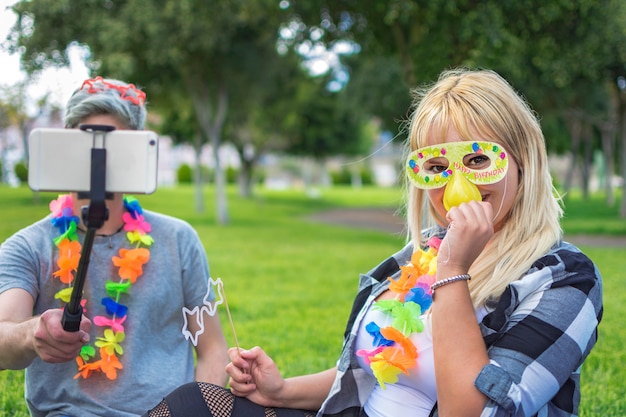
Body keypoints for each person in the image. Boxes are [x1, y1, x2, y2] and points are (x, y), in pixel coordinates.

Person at [143, 68, 603, 417]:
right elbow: (371, 376)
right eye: (437, 166)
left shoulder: (564, 279)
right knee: (192, 404)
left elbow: (475, 410)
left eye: (479, 159)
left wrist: (454, 272)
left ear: (524, 163)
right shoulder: (411, 262)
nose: (456, 184)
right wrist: (281, 392)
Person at [0, 77, 229, 417]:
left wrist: (196, 411)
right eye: (86, 143)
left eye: (114, 146)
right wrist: (32, 333)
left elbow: (213, 349)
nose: (99, 159)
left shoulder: (180, 240)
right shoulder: (28, 246)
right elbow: (3, 337)